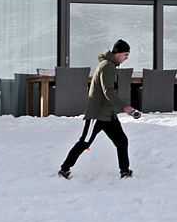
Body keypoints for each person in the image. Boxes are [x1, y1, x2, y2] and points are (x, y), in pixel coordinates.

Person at [58, 39, 140, 180]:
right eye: (126, 54)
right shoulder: (107, 66)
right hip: (97, 115)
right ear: (118, 53)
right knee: (85, 142)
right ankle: (64, 169)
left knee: (121, 141)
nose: (127, 57)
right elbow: (108, 91)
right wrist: (125, 107)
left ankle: (125, 171)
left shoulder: (110, 65)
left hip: (108, 114)